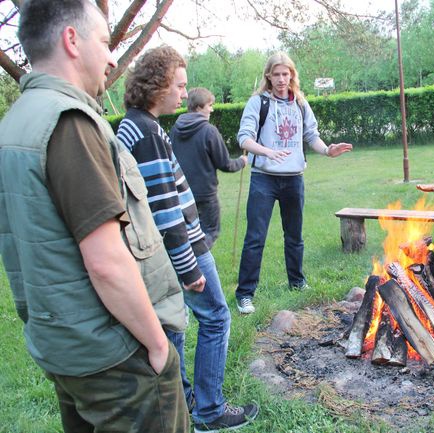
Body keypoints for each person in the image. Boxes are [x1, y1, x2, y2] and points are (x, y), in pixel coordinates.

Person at [0, 1, 189, 431]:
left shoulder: (15, 122)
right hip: (115, 356)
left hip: (65, 348)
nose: (110, 57)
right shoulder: (69, 123)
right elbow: (106, 261)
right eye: (104, 42)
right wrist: (157, 344)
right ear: (71, 40)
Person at [117, 45, 259, 432]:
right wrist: (188, 266)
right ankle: (209, 411)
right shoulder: (147, 133)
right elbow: (164, 211)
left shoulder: (132, 124)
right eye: (178, 85)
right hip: (180, 251)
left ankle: (180, 402)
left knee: (174, 323)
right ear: (157, 85)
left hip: (163, 254)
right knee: (214, 317)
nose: (184, 93)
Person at [235, 52, 353, 314]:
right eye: (276, 74)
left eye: (285, 74)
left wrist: (327, 150)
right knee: (255, 237)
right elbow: (244, 138)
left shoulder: (300, 103)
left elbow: (312, 135)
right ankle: (244, 294)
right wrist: (266, 152)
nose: (280, 79)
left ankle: (297, 282)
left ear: (292, 75)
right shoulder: (258, 103)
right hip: (263, 179)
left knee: (295, 237)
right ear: (268, 76)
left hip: (293, 179)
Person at [170, 87, 247, 249]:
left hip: (181, 194)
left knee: (188, 236)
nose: (212, 109)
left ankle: (188, 267)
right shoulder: (208, 131)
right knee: (210, 233)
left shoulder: (175, 130)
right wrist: (242, 161)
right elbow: (226, 165)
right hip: (205, 196)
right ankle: (200, 270)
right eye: (209, 105)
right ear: (199, 107)